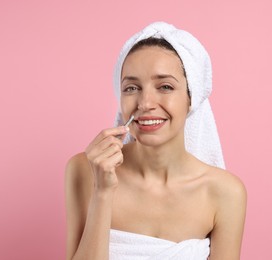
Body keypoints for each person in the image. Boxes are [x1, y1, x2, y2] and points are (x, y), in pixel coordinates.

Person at [65, 22, 247, 260]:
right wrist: (102, 192)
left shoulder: (226, 192)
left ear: (191, 98)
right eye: (131, 88)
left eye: (165, 86)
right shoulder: (85, 169)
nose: (145, 103)